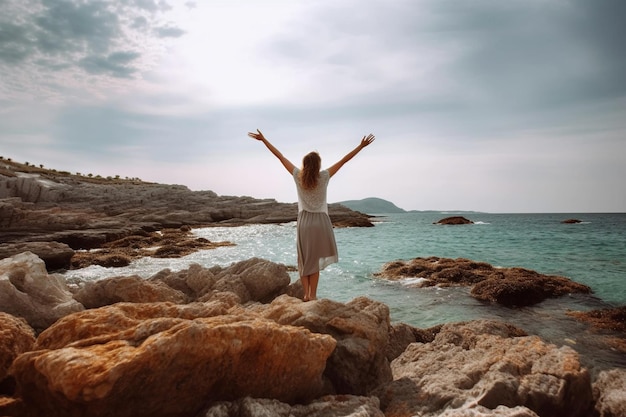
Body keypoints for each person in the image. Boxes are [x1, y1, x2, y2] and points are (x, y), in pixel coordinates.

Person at [248, 129, 375, 301]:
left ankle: (306, 294)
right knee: (314, 260)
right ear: (318, 165)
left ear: (305, 164)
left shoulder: (297, 176)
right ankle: (312, 295)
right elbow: (344, 160)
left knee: (303, 259)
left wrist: (264, 140)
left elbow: (280, 157)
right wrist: (360, 146)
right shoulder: (324, 176)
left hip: (305, 221)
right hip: (321, 222)